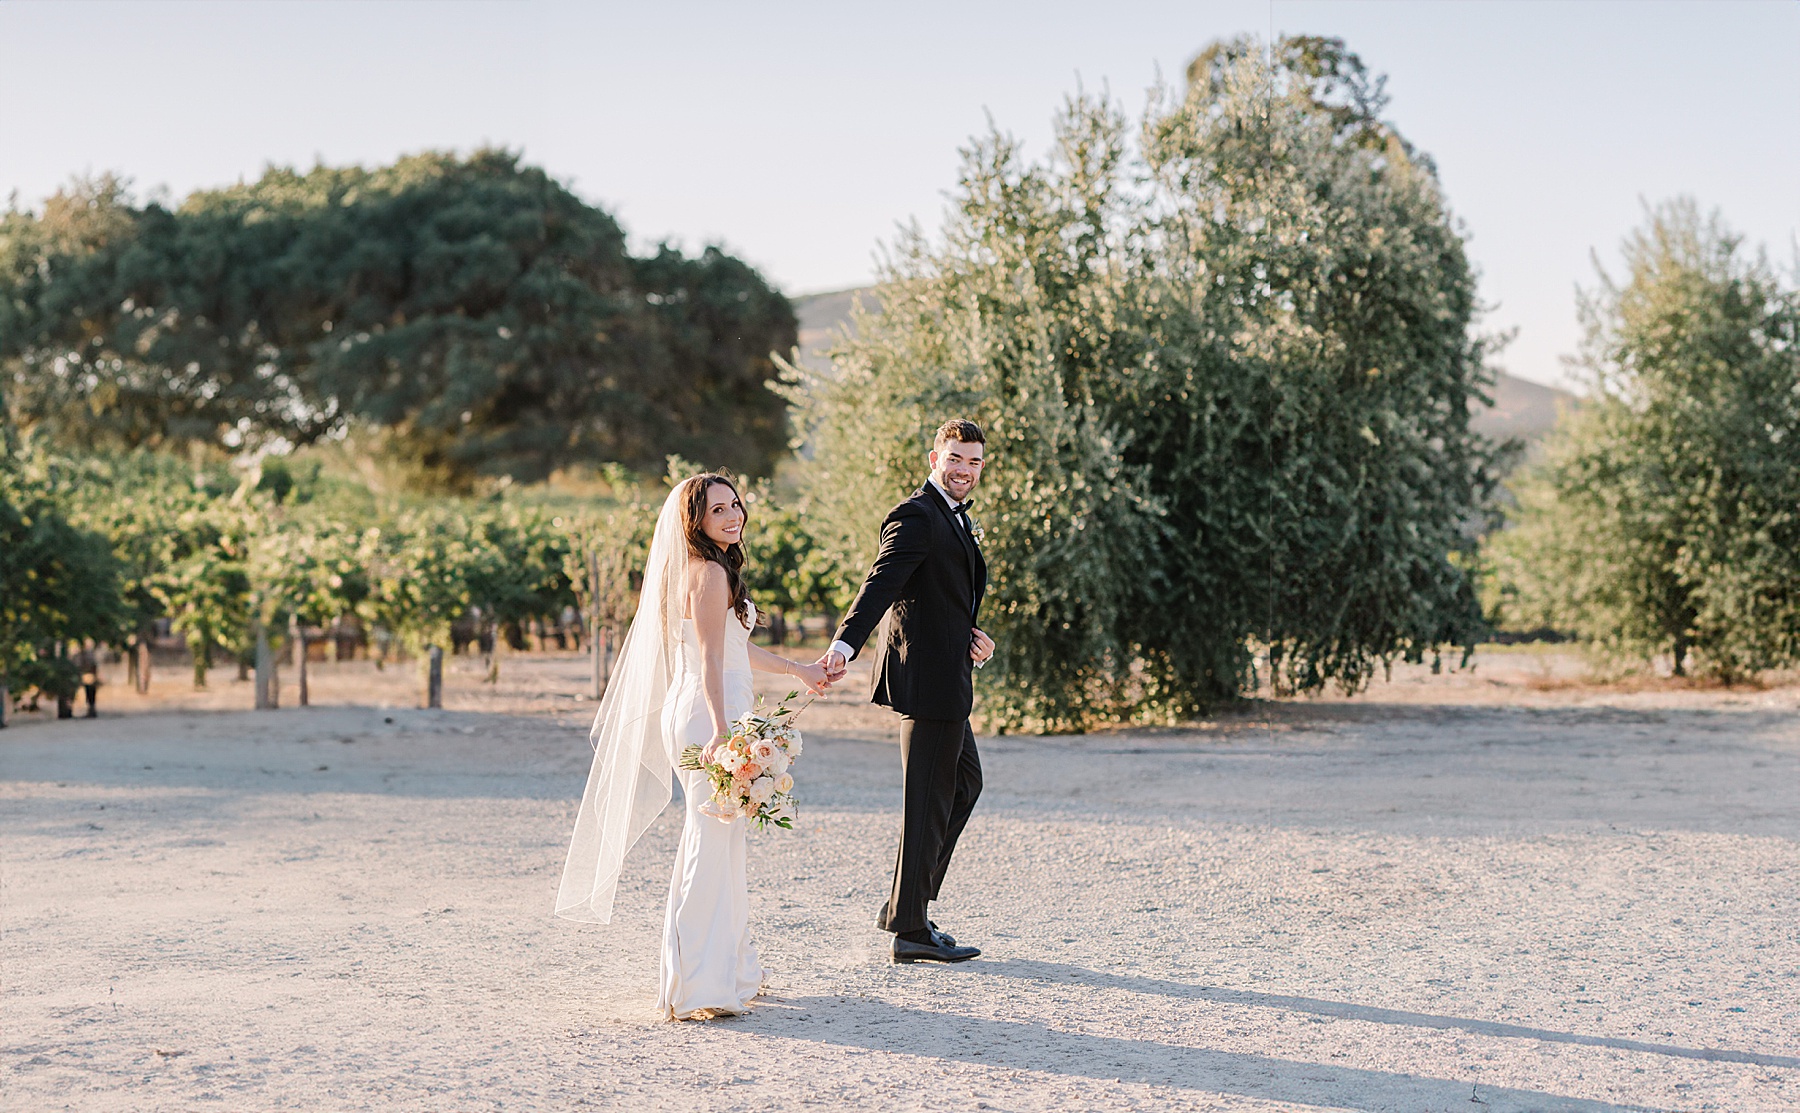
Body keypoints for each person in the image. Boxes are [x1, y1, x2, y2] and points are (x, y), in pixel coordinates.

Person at [557, 473, 831, 1020]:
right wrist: (721, 730)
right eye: (717, 511)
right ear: (696, 523)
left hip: (721, 709)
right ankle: (694, 986)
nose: (733, 517)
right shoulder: (706, 574)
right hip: (710, 717)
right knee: (709, 840)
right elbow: (708, 662)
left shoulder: (710, 569)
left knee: (723, 842)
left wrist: (798, 670)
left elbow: (733, 649)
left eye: (736, 505)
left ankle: (725, 971)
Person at [821, 419, 992, 964]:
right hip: (928, 684)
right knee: (928, 802)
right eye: (955, 459)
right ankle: (912, 930)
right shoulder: (916, 515)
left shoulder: (953, 517)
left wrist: (970, 634)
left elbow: (938, 595)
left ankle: (905, 905)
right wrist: (844, 647)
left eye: (974, 462)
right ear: (934, 457)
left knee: (964, 785)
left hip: (949, 676)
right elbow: (881, 586)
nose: (964, 470)